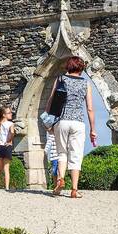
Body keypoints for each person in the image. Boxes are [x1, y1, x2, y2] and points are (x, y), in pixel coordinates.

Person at [46, 56, 96, 198]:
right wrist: (93, 129)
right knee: (76, 155)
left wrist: (48, 120)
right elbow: (90, 108)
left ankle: (60, 180)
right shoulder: (86, 84)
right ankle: (74, 190)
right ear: (81, 68)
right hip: (78, 123)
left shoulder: (61, 79)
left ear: (68, 66)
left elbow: (51, 99)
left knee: (62, 153)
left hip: (62, 121)